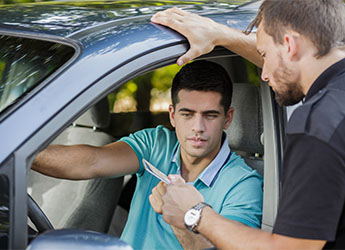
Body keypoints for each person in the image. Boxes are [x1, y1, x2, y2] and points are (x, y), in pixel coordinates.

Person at [150, 0, 345, 249]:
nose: (264, 74)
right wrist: (222, 35)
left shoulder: (318, 123)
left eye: (264, 55)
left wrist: (195, 212)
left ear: (289, 45)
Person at [32, 60, 263, 249]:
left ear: (228, 118)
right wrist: (18, 155)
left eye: (210, 115)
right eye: (187, 114)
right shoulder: (156, 143)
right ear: (172, 115)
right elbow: (92, 162)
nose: (198, 127)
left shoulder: (244, 185)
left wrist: (181, 218)